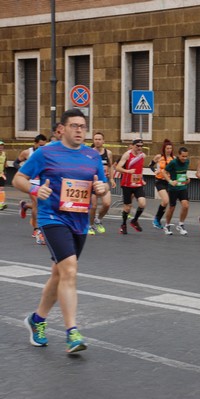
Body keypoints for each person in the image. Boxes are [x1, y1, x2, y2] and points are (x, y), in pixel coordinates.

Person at [14, 108, 107, 353]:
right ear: (63, 128)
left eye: (83, 126)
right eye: (74, 126)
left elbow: (104, 188)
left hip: (79, 220)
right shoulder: (45, 153)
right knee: (70, 270)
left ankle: (36, 320)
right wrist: (34, 191)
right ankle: (72, 333)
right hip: (52, 217)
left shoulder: (92, 156)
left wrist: (101, 189)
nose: (79, 130)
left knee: (59, 274)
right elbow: (19, 179)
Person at [16, 134, 48, 244]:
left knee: (40, 205)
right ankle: (36, 229)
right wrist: (23, 170)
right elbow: (16, 162)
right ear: (35, 143)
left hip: (43, 183)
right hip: (31, 182)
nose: (42, 148)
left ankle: (25, 205)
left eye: (44, 145)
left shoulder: (45, 153)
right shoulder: (27, 152)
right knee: (37, 204)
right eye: (40, 145)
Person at [115, 138, 147, 234]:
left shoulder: (142, 155)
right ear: (133, 145)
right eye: (137, 146)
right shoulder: (127, 155)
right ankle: (123, 224)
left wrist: (142, 179)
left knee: (142, 203)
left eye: (141, 146)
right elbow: (117, 168)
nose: (139, 148)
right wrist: (127, 171)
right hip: (127, 184)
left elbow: (139, 169)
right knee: (127, 207)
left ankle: (134, 220)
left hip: (137, 184)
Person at [88, 132, 116, 235]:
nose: (97, 141)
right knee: (93, 206)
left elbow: (111, 166)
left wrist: (112, 179)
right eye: (95, 139)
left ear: (103, 141)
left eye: (99, 139)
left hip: (104, 182)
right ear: (93, 140)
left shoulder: (108, 153)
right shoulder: (90, 152)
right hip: (93, 183)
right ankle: (90, 226)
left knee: (107, 204)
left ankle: (98, 219)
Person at [162, 147, 191, 236]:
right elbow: (164, 172)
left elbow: (183, 173)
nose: (185, 158)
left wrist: (187, 179)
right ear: (179, 155)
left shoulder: (187, 162)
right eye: (183, 156)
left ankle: (181, 225)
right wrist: (170, 181)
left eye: (186, 156)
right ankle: (167, 225)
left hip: (182, 187)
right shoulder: (173, 162)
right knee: (172, 208)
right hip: (173, 188)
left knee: (186, 206)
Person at [149, 139, 174, 229]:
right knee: (166, 200)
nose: (169, 150)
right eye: (167, 148)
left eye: (170, 148)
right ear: (164, 148)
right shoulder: (159, 157)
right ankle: (156, 219)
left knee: (167, 202)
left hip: (168, 182)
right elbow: (150, 165)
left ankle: (158, 220)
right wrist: (155, 171)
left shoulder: (173, 159)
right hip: (159, 181)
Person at [0, 140, 7, 210]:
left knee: (1, 189)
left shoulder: (4, 154)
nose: (1, 147)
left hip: (1, 174)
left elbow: (5, 162)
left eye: (2, 146)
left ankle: (1, 203)